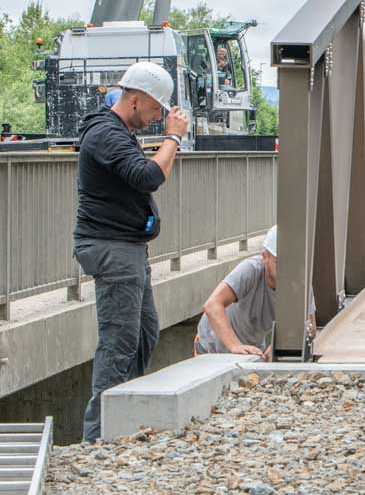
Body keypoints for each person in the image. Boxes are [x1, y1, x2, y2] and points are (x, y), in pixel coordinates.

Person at [73, 61, 189, 441]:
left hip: (127, 246)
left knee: (144, 334)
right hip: (112, 248)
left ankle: (124, 412)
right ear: (136, 99)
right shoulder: (106, 134)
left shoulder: (118, 131)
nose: (157, 117)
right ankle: (99, 437)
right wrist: (173, 137)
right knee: (119, 344)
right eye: (156, 109)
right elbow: (148, 176)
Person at [194, 226, 315, 359]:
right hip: (211, 346)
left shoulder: (300, 283)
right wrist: (235, 345)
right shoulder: (250, 270)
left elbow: (310, 327)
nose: (285, 268)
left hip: (251, 349)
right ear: (265, 257)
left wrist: (280, 343)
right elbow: (212, 305)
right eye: (278, 261)